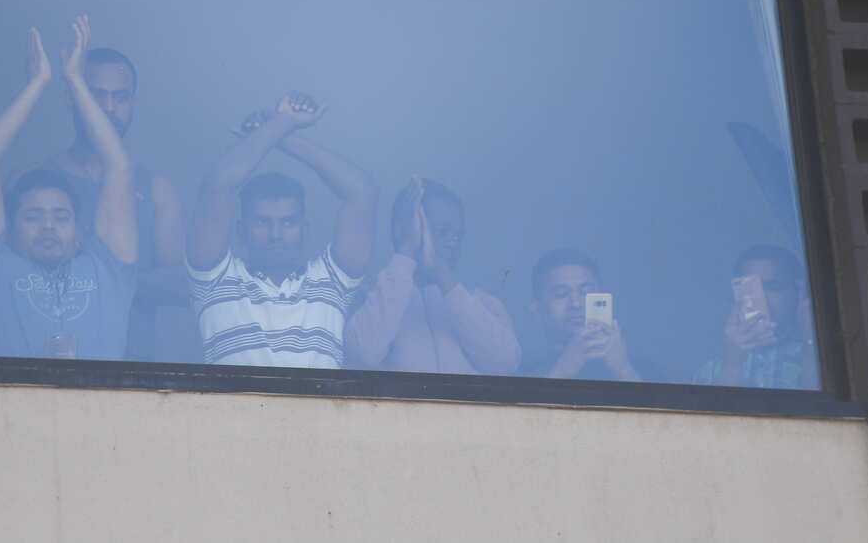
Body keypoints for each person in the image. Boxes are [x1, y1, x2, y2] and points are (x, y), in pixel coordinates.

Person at [0, 15, 140, 359]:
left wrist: (76, 81)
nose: (48, 226)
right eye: (32, 217)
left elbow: (118, 166)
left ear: (80, 231)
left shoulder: (108, 271)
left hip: (104, 411)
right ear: (9, 230)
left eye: (61, 217)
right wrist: (38, 83)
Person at [29, 43, 196, 363]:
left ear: (132, 102)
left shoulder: (155, 189)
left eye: (120, 97)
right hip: (49, 365)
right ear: (71, 98)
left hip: (134, 366)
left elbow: (179, 286)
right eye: (96, 96)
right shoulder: (35, 184)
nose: (109, 108)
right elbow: (19, 277)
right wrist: (132, 280)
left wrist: (89, 276)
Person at [186, 92, 377, 368]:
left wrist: (282, 134)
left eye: (288, 222)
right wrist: (282, 122)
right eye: (263, 222)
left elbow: (362, 192)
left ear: (304, 228)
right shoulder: (215, 282)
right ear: (240, 230)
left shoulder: (332, 284)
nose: (276, 234)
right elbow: (218, 185)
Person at [344, 178, 520, 374]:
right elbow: (363, 354)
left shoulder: (483, 304)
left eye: (458, 235)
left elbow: (505, 364)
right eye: (443, 231)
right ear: (402, 231)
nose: (453, 242)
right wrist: (405, 254)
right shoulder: (369, 298)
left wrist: (444, 276)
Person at [694, 245, 819, 390]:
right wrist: (733, 364)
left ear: (798, 293)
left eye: (773, 287)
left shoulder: (820, 359)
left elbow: (817, 408)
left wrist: (810, 344)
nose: (761, 298)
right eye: (750, 289)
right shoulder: (712, 370)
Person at [522, 249, 643, 382]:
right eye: (561, 294)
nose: (576, 303)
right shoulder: (521, 375)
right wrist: (563, 371)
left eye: (586, 292)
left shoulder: (642, 370)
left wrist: (623, 370)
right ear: (537, 310)